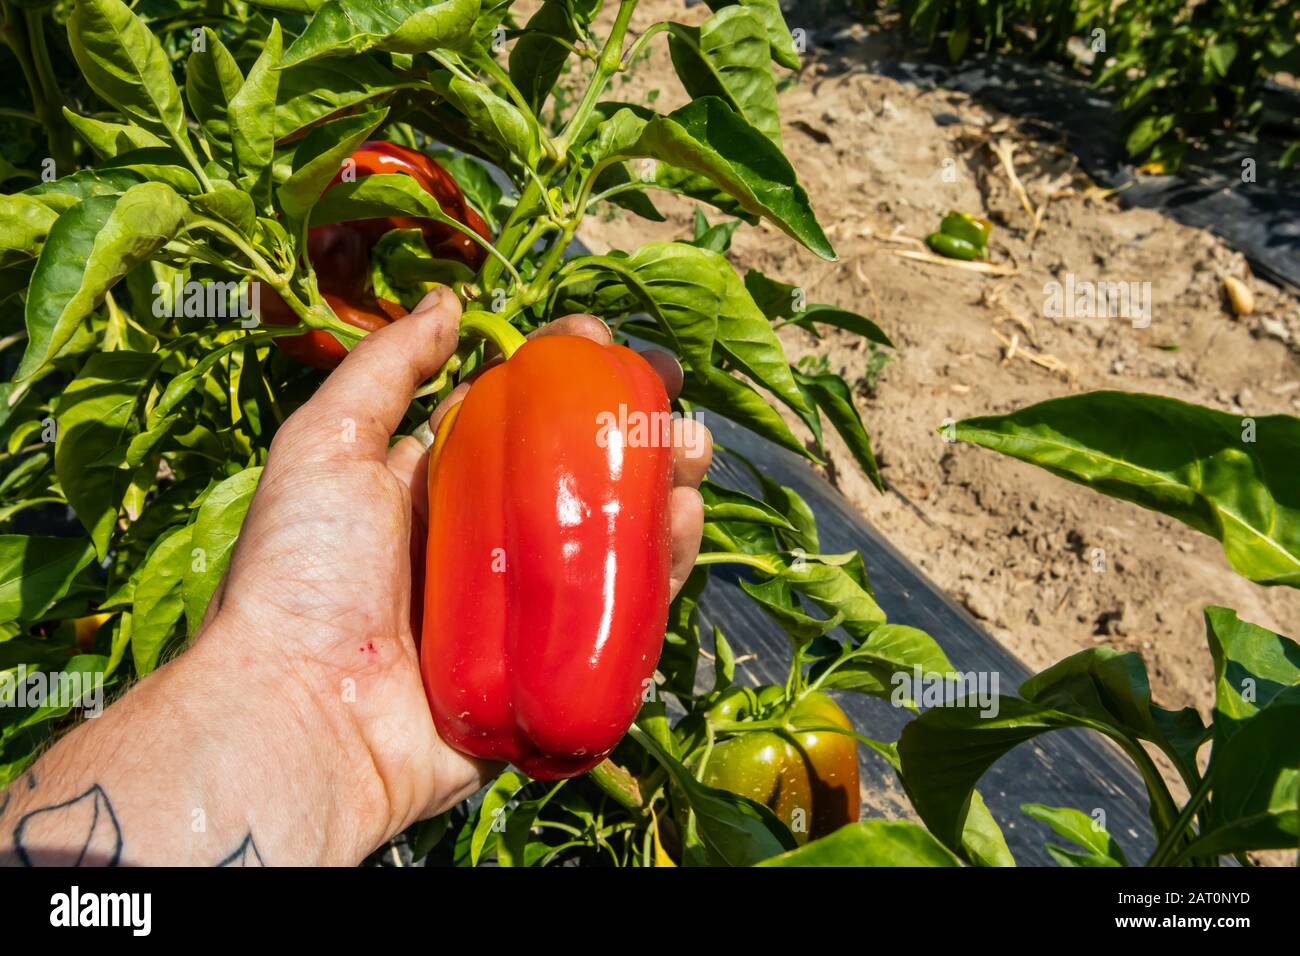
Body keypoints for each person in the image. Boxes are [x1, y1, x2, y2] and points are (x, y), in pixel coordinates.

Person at [0, 289, 709, 866]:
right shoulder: (599, 394)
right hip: (434, 720)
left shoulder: (511, 415)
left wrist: (296, 697)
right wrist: (299, 699)